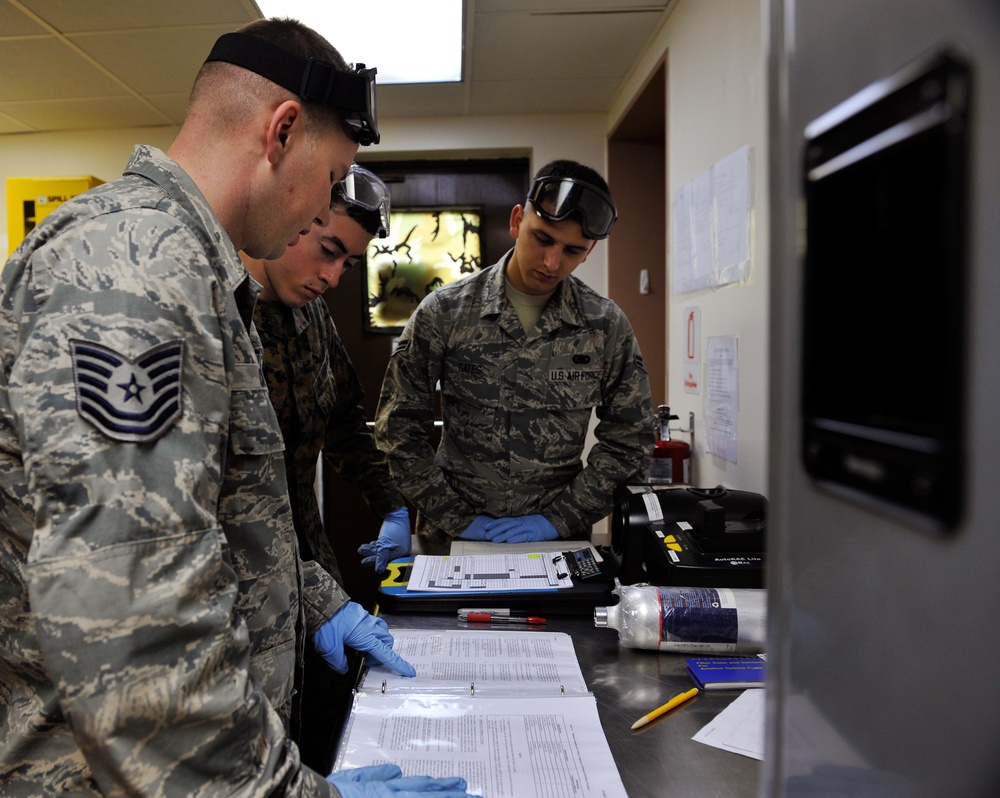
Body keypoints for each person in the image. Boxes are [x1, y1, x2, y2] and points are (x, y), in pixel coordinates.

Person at [0, 18, 469, 798]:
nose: (321, 212)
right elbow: (133, 628)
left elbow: (213, 511)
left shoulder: (201, 274)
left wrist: (316, 595)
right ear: (282, 130)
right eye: (329, 181)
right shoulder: (136, 271)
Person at [375, 159, 654, 555]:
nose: (552, 263)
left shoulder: (605, 326)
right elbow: (399, 427)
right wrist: (455, 517)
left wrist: (558, 519)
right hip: (453, 537)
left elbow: (631, 441)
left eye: (572, 250)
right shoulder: (445, 313)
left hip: (558, 542)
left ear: (589, 251)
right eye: (542, 238)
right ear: (517, 220)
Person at [241, 164, 410, 771]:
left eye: (348, 264)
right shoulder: (220, 317)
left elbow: (343, 419)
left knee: (326, 724)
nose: (333, 277)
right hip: (242, 586)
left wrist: (391, 502)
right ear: (293, 211)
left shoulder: (311, 316)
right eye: (328, 251)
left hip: (309, 563)